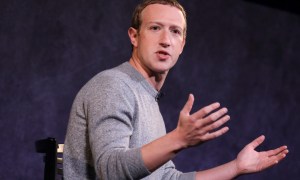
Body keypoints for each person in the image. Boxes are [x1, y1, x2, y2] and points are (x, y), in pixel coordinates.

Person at [63, 0, 289, 179]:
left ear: (182, 45)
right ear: (134, 36)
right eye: (154, 28)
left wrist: (237, 167)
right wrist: (178, 139)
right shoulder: (113, 85)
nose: (165, 40)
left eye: (175, 32)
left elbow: (167, 178)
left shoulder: (147, 99)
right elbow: (110, 171)